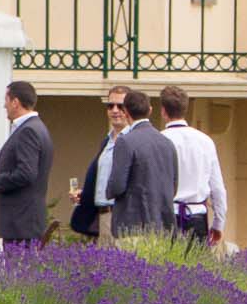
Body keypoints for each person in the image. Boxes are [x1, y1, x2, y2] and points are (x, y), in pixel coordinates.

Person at [156, 85, 227, 247]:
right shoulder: (205, 141)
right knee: (196, 270)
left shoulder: (159, 141)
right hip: (197, 217)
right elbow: (217, 188)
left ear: (163, 111)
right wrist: (218, 223)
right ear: (184, 109)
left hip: (167, 217)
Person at [0, 82, 53, 248]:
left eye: (6, 100)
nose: (4, 105)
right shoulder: (36, 127)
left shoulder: (28, 131)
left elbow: (27, 173)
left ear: (15, 102)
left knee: (19, 271)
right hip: (25, 221)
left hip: (22, 222)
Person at [104, 88, 178, 236]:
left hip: (132, 223)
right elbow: (174, 185)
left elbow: (117, 186)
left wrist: (108, 191)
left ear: (126, 112)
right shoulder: (167, 142)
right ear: (150, 110)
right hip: (162, 223)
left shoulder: (125, 141)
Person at [70, 88, 128, 243]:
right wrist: (87, 194)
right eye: (110, 106)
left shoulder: (133, 141)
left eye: (120, 106)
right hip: (102, 216)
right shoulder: (107, 142)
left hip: (122, 217)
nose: (115, 111)